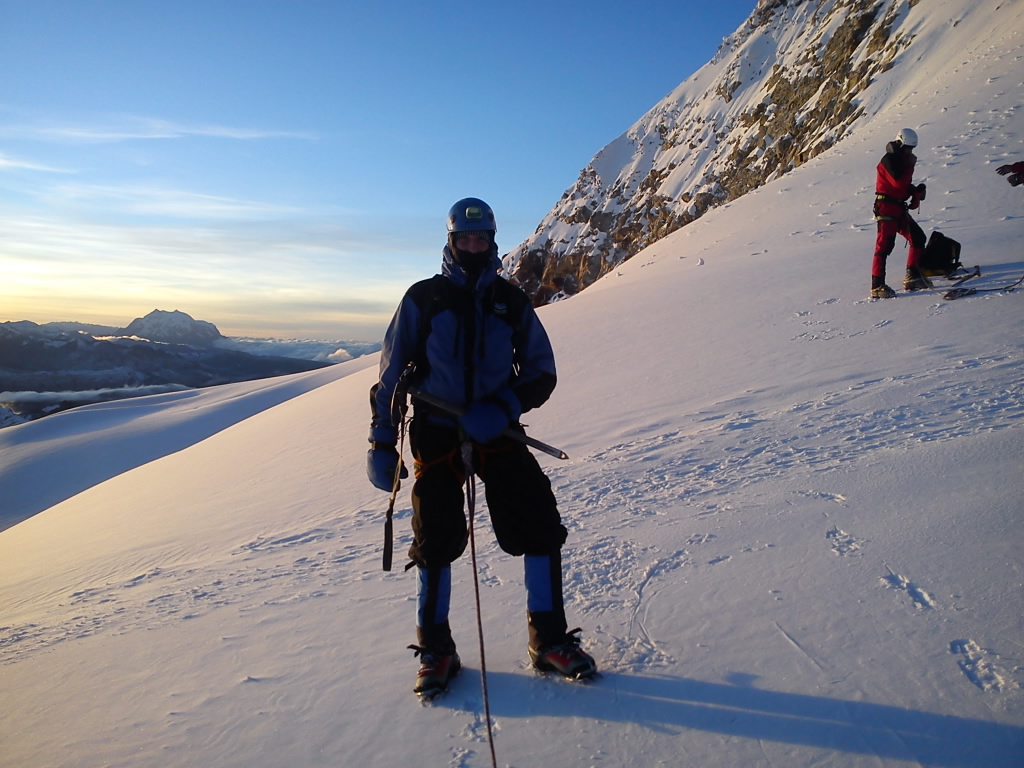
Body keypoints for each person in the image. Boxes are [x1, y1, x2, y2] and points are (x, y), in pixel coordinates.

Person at [366, 197, 597, 696]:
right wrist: (382, 441)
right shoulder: (423, 298)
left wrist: (506, 404)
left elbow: (542, 371)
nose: (474, 246)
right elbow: (389, 377)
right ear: (451, 242)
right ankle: (435, 650)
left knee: (537, 522)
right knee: (436, 538)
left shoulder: (510, 303)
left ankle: (549, 639)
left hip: (496, 429)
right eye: (465, 239)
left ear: (492, 242)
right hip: (436, 429)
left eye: (482, 239)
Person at [870, 128, 931, 298]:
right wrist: (910, 167)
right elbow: (898, 183)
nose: (909, 152)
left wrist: (915, 191)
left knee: (918, 237)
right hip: (886, 207)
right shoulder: (889, 160)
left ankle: (912, 276)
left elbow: (902, 186)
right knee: (884, 246)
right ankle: (877, 286)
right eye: (907, 148)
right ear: (900, 144)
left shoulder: (899, 160)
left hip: (896, 208)